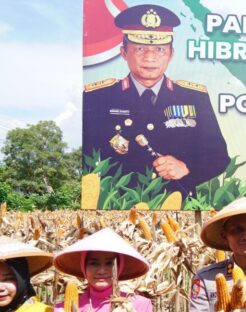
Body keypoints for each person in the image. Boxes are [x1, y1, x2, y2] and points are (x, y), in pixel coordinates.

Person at [82, 4, 230, 198]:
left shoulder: (194, 97)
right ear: (124, 52)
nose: (150, 57)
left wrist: (187, 168)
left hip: (178, 206)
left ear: (171, 54)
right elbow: (83, 158)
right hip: (118, 207)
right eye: (140, 48)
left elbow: (219, 156)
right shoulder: (97, 97)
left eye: (159, 49)